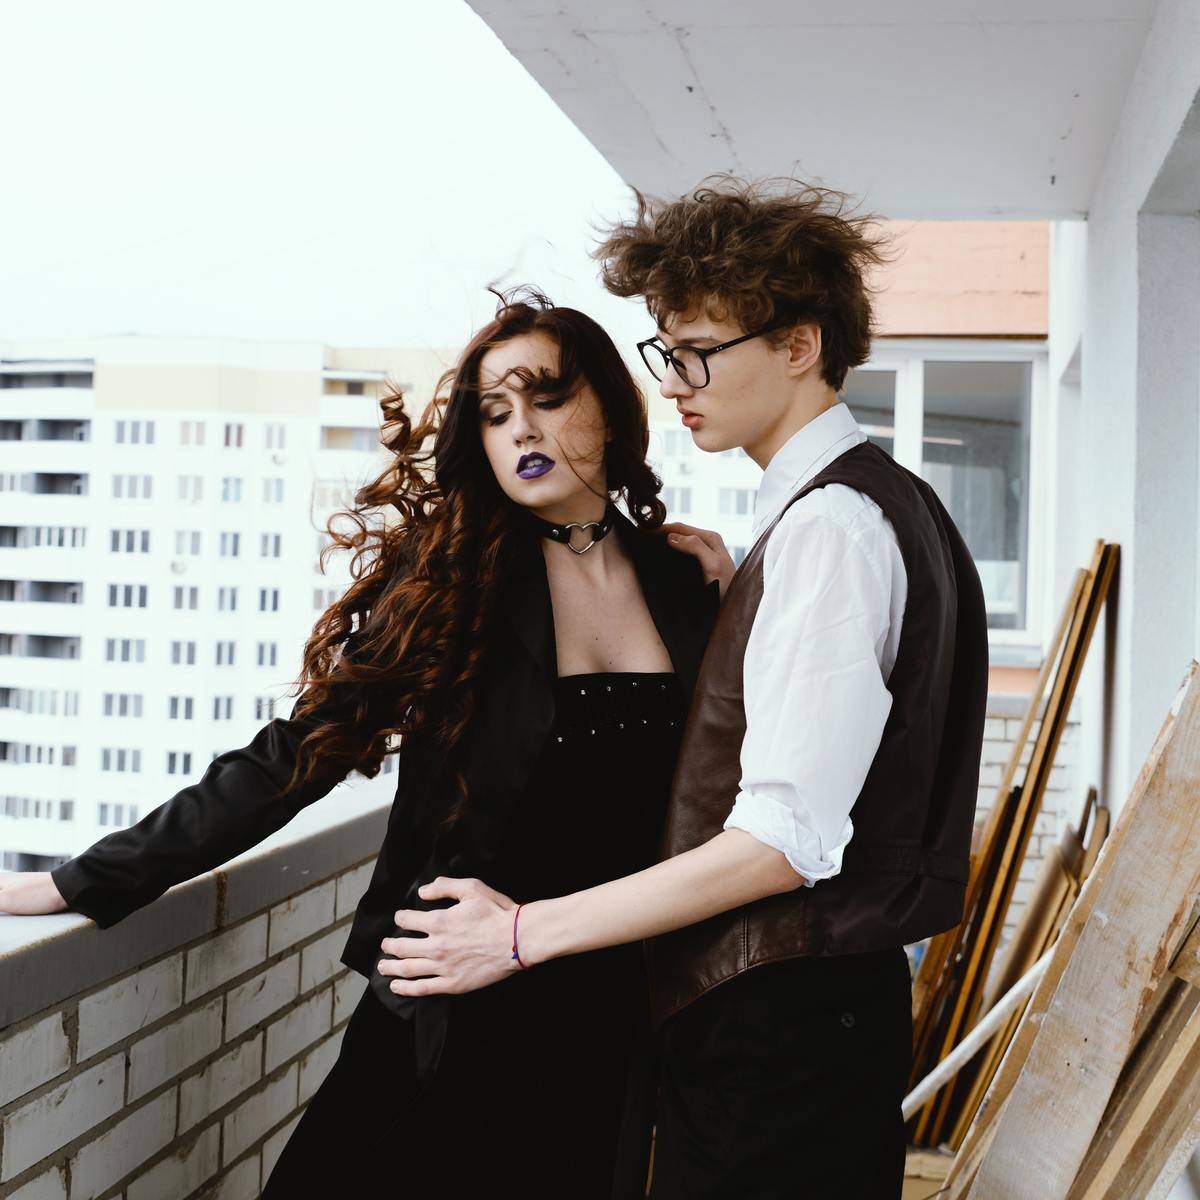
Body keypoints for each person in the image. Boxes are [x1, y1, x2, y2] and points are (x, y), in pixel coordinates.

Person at [0, 289, 727, 1199]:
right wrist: (82, 880)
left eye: (546, 398)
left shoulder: (686, 581)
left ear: (612, 411)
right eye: (495, 413)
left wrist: (736, 595)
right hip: (448, 984)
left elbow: (731, 786)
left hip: (604, 1000)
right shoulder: (454, 582)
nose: (520, 431)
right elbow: (301, 750)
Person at [378, 180, 991, 1199]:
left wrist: (520, 932)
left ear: (797, 346)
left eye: (698, 351)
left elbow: (783, 843)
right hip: (812, 1015)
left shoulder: (832, 534)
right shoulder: (867, 510)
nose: (675, 383)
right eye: (666, 353)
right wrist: (743, 575)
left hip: (782, 1028)